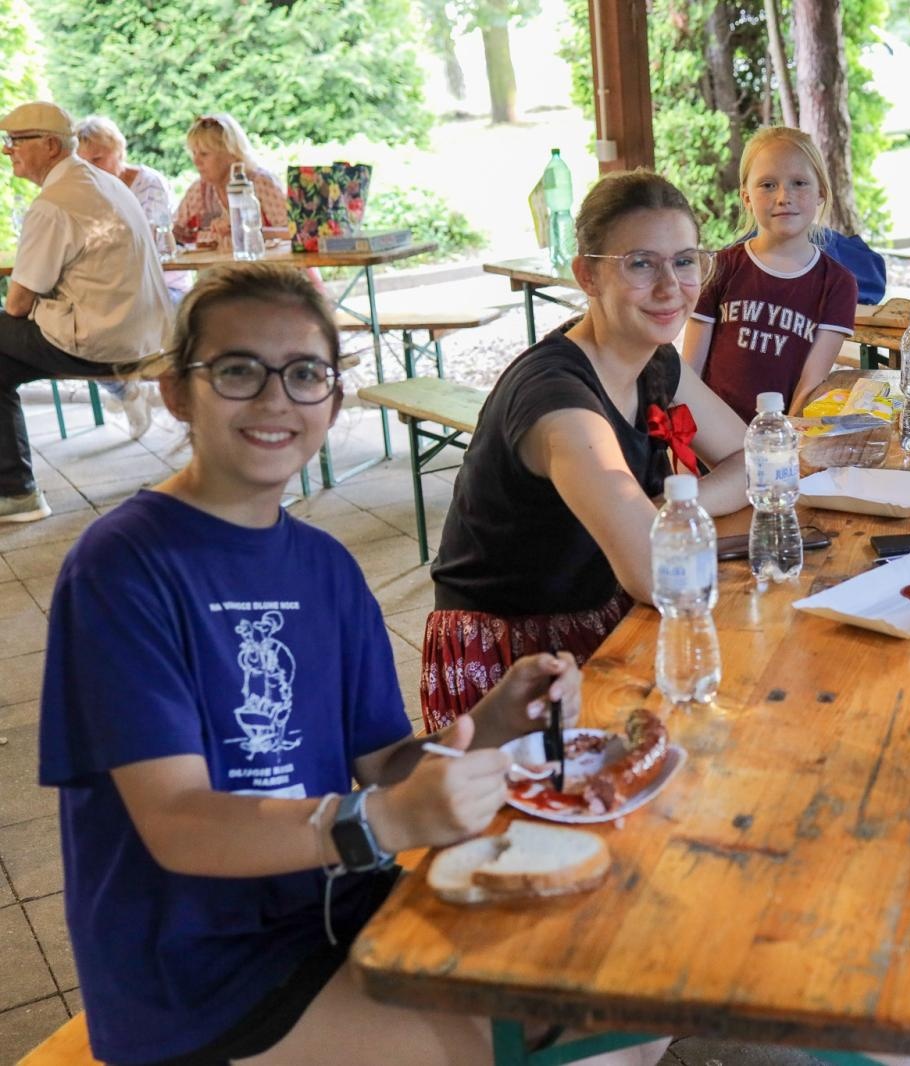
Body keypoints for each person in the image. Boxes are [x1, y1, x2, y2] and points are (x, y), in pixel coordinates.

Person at [36, 262, 667, 1066]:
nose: (275, 400)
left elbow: (383, 764)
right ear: (176, 391)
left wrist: (496, 722)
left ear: (332, 401)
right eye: (237, 371)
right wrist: (379, 824)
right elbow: (177, 822)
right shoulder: (123, 567)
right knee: (588, 1048)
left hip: (339, 909)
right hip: (201, 979)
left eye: (305, 374)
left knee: (631, 1001)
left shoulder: (325, 567)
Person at [424, 170, 749, 731]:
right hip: (512, 659)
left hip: (602, 612)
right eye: (641, 264)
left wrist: (666, 505)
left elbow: (754, 457)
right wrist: (662, 518)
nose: (671, 287)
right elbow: (656, 575)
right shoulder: (559, 403)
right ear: (588, 276)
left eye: (686, 260)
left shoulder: (655, 362)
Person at [0, 100, 171, 523]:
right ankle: (16, 491)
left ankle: (18, 491)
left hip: (102, 341)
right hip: (146, 334)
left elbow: (17, 304)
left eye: (16, 141)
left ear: (52, 146)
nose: (8, 151)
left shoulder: (54, 203)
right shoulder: (105, 182)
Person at [682, 126, 858, 420]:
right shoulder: (719, 268)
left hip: (780, 443)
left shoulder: (838, 283)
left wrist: (781, 444)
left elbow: (810, 383)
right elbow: (689, 372)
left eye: (799, 183)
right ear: (746, 197)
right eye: (767, 185)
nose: (783, 196)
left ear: (821, 194)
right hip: (709, 441)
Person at [75, 114, 190, 438]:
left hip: (162, 286)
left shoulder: (147, 182)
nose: (92, 167)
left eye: (98, 158)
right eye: (84, 162)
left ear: (118, 150)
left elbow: (148, 238)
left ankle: (172, 402)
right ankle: (126, 392)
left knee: (133, 322)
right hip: (114, 288)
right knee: (77, 328)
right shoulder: (87, 191)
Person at [172, 112, 290, 248]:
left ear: (231, 153)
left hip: (270, 268)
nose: (196, 161)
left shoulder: (261, 182)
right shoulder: (199, 190)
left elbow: (295, 233)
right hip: (220, 268)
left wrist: (247, 228)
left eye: (204, 154)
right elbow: (176, 233)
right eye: (194, 153)